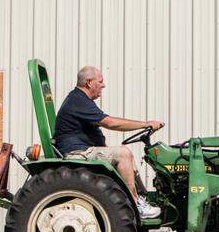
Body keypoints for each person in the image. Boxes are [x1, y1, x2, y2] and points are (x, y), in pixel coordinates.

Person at [53, 65, 163, 219]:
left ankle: (141, 197)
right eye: (101, 81)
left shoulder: (81, 99)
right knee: (123, 153)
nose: (103, 85)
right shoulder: (78, 100)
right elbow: (110, 123)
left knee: (127, 158)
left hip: (82, 148)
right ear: (89, 82)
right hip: (77, 152)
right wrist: (146, 124)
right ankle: (136, 204)